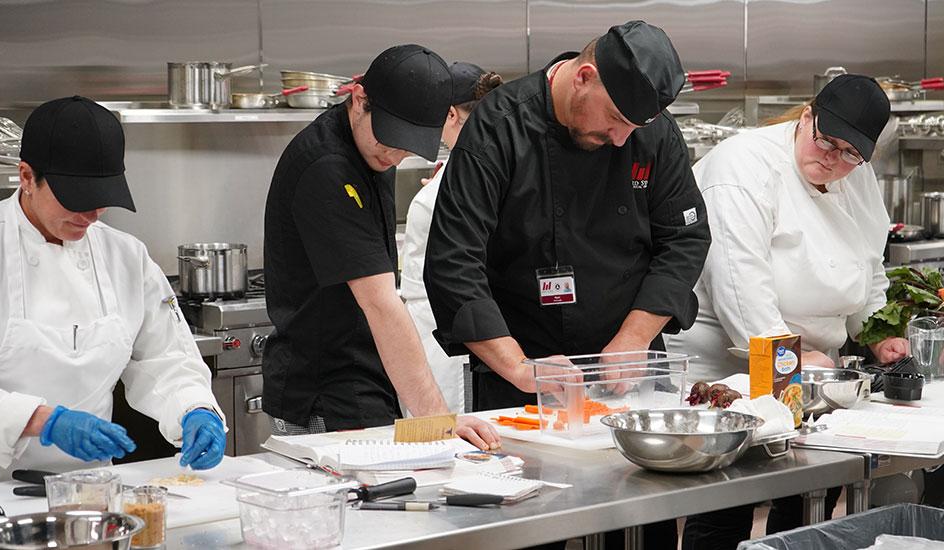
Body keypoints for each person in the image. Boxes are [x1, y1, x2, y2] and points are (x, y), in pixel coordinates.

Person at [424, 21, 708, 548]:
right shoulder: (497, 126)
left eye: (635, 126)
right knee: (534, 529)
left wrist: (633, 341)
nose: (623, 138)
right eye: (617, 120)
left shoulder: (652, 131)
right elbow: (452, 261)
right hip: (521, 377)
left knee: (642, 525)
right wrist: (517, 365)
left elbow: (685, 240)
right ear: (583, 77)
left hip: (628, 377)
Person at [0, 96, 226, 486]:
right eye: (74, 198)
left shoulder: (127, 257)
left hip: (90, 490)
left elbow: (165, 358)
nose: (89, 215)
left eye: (101, 200)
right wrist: (45, 421)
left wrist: (194, 408)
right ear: (26, 177)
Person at [669, 74, 910, 549]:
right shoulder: (743, 167)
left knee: (810, 500)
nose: (833, 160)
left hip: (813, 375)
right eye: (826, 142)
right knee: (729, 506)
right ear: (806, 117)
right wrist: (792, 364)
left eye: (850, 154)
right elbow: (741, 292)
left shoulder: (856, 175)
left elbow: (868, 265)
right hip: (725, 370)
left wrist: (878, 330)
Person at [261, 45, 499, 449]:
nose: (395, 154)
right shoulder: (328, 168)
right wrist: (438, 421)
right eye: (390, 139)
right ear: (358, 100)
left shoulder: (369, 148)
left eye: (408, 146)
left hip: (364, 378)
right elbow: (380, 303)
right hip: (327, 395)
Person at [400, 62, 503, 413]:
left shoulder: (450, 187)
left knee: (452, 448)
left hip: (442, 346)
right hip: (472, 341)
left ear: (449, 114)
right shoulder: (491, 168)